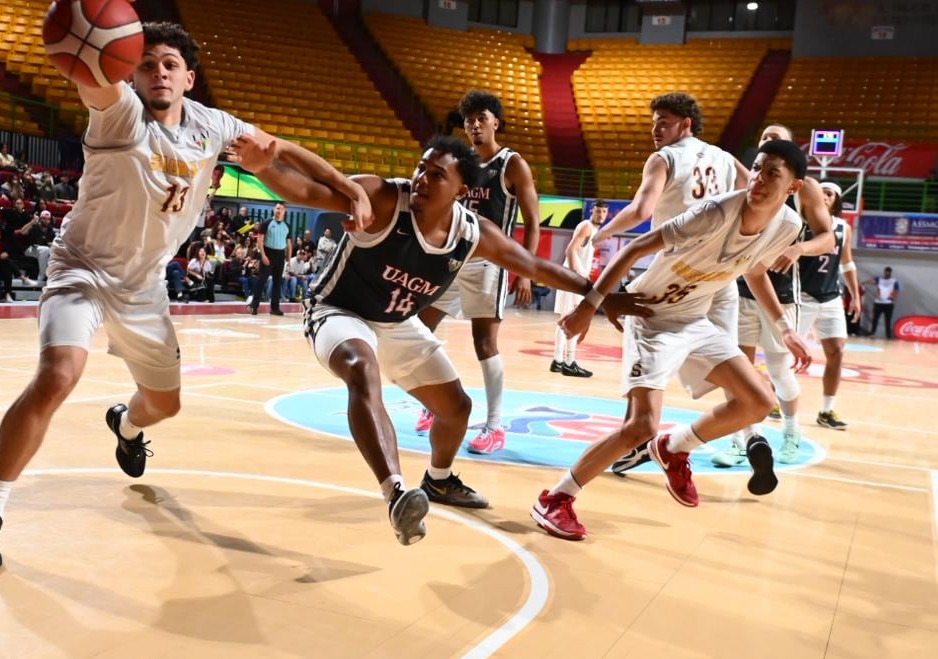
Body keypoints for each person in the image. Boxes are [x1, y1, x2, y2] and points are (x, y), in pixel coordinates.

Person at [0, 0, 366, 574]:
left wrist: (346, 191)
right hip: (83, 270)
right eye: (147, 63)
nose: (158, 72)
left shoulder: (213, 124)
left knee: (164, 406)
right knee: (57, 375)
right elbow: (85, 66)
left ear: (188, 77)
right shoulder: (117, 112)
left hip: (144, 288)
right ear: (130, 69)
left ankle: (124, 423)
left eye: (170, 64)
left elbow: (281, 153)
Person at [254, 138, 648, 544]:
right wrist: (262, 166)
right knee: (361, 368)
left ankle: (438, 480)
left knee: (457, 408)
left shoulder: (473, 232)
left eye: (436, 175)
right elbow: (309, 190)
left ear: (460, 191)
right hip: (338, 310)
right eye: (421, 168)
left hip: (395, 323)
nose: (421, 178)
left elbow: (531, 264)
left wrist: (597, 294)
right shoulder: (386, 197)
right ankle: (395, 494)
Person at [537, 141, 814, 540]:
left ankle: (674, 447)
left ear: (793, 186)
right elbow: (635, 247)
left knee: (757, 401)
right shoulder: (716, 211)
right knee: (639, 426)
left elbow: (755, 270)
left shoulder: (787, 225)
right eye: (756, 168)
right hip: (651, 317)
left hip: (694, 319)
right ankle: (556, 498)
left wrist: (785, 328)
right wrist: (588, 305)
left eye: (773, 173)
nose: (759, 178)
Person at [602, 117, 835, 475]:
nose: (762, 166)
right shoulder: (735, 180)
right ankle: (741, 437)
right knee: (728, 365)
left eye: (776, 144)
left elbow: (826, 240)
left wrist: (798, 253)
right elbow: (746, 251)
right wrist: (595, 300)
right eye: (762, 146)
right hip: (710, 278)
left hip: (760, 288)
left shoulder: (798, 206)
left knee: (766, 373)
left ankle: (770, 433)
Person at [414, 90, 542, 454]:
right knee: (420, 330)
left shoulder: (512, 164)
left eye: (481, 117)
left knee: (484, 343)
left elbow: (532, 222)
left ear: (495, 122)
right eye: (468, 119)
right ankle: (434, 404)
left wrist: (526, 270)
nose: (474, 124)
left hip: (489, 262)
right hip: (452, 258)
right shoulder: (460, 162)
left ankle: (495, 426)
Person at [796, 182, 859, 430]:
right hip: (803, 296)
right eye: (820, 191)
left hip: (831, 297)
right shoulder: (801, 222)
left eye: (829, 193)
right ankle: (776, 400)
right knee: (790, 354)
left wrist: (855, 294)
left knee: (837, 352)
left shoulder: (844, 227)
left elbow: (847, 264)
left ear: (836, 201)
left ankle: (826, 410)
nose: (823, 195)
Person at [552, 200, 608, 377]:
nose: (601, 215)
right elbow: (570, 250)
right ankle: (569, 363)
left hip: (570, 278)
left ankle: (557, 361)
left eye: (604, 212)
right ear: (592, 211)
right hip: (572, 278)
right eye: (598, 211)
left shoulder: (594, 230)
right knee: (574, 319)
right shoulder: (586, 226)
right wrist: (579, 274)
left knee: (565, 319)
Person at [248, 202, 292, 315]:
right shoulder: (266, 223)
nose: (279, 210)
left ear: (284, 211)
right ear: (274, 209)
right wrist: (263, 255)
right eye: (277, 208)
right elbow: (259, 240)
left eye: (281, 209)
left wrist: (289, 260)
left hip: (280, 254)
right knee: (262, 279)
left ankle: (275, 308)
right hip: (268, 252)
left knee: (278, 282)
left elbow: (289, 244)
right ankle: (254, 305)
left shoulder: (287, 225)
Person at [866, 267, 900, 339]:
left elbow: (896, 291)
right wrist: (868, 280)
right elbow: (870, 281)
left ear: (890, 273)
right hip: (878, 302)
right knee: (875, 318)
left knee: (888, 320)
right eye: (886, 272)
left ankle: (888, 336)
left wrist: (893, 299)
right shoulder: (879, 279)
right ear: (884, 272)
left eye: (888, 272)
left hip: (888, 303)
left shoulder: (894, 281)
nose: (887, 273)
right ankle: (872, 333)